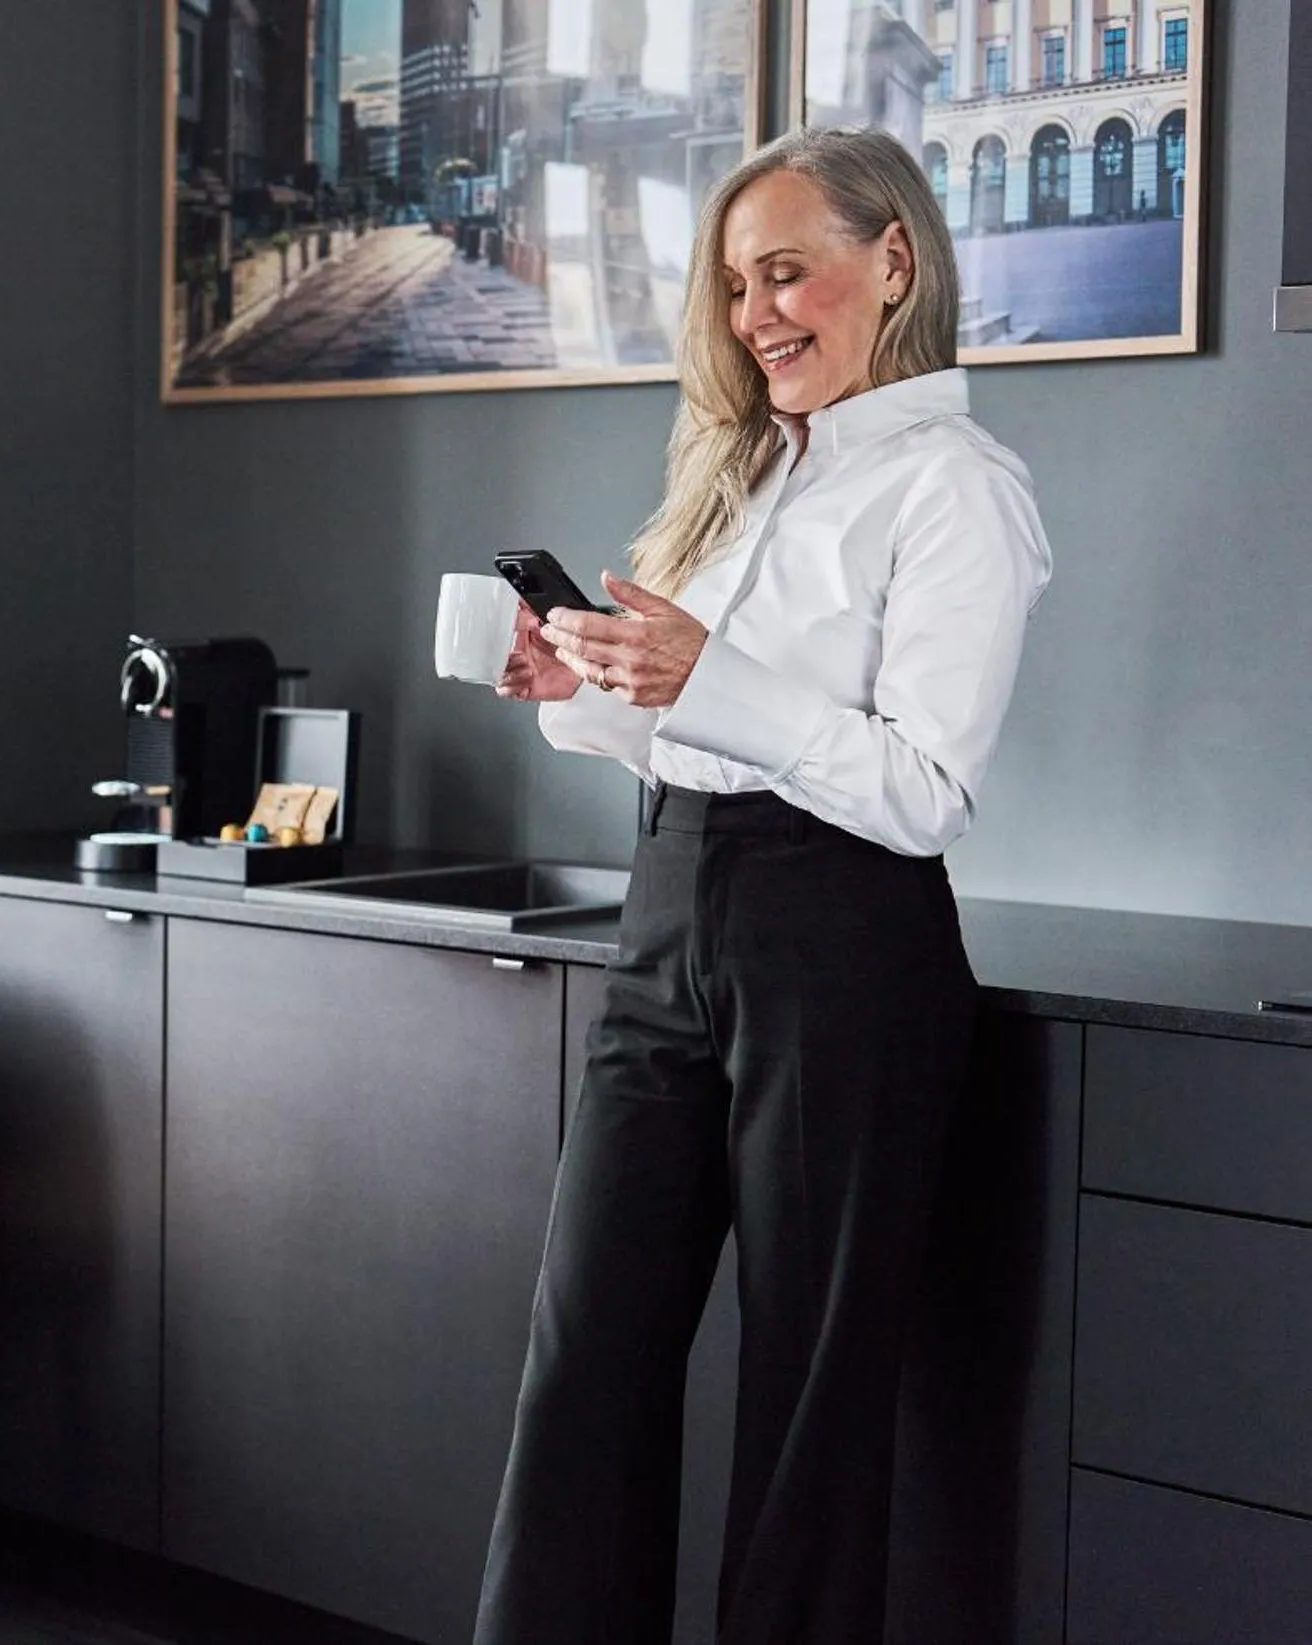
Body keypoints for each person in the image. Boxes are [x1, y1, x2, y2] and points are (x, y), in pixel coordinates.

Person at [471, 126, 1052, 1644]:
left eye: (785, 272)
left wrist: (708, 676)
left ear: (895, 263)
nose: (755, 316)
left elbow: (923, 792)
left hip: (843, 942)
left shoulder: (958, 491)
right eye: (735, 284)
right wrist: (580, 687)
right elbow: (694, 733)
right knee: (584, 1360)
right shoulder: (744, 479)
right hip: (669, 917)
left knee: (810, 1407)